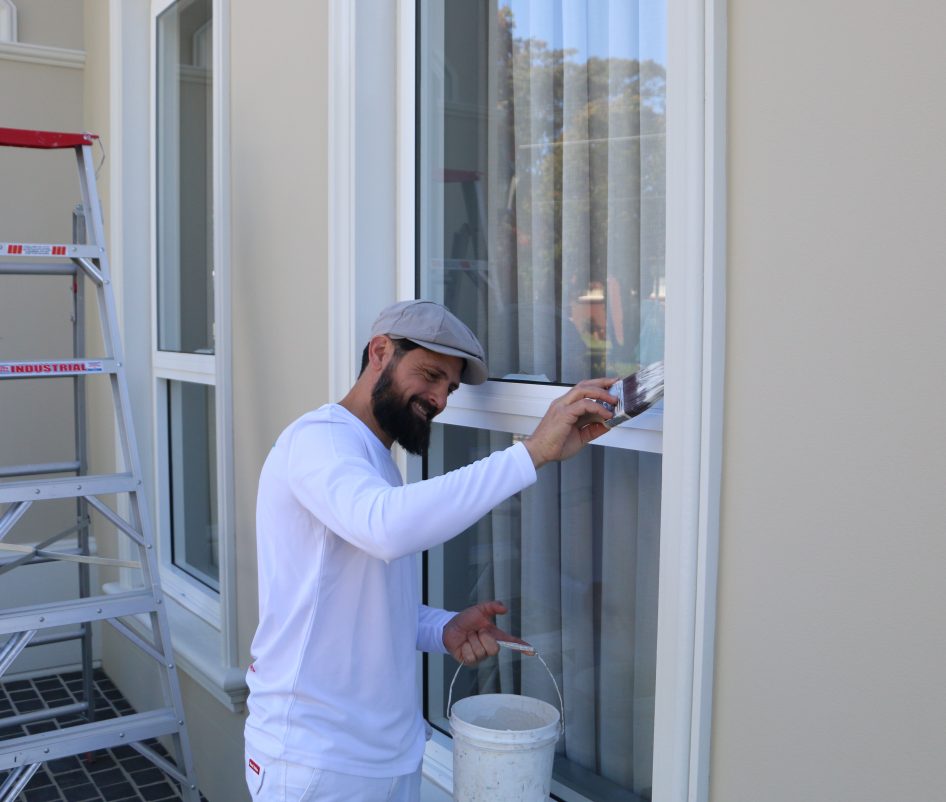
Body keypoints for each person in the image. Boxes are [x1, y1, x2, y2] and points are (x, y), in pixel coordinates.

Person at [244, 299, 617, 801]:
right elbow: (386, 528)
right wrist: (531, 453)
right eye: (430, 374)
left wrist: (441, 628)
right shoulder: (322, 441)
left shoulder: (371, 457)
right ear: (380, 352)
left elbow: (357, 602)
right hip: (317, 764)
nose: (439, 399)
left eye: (450, 387)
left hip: (386, 758)